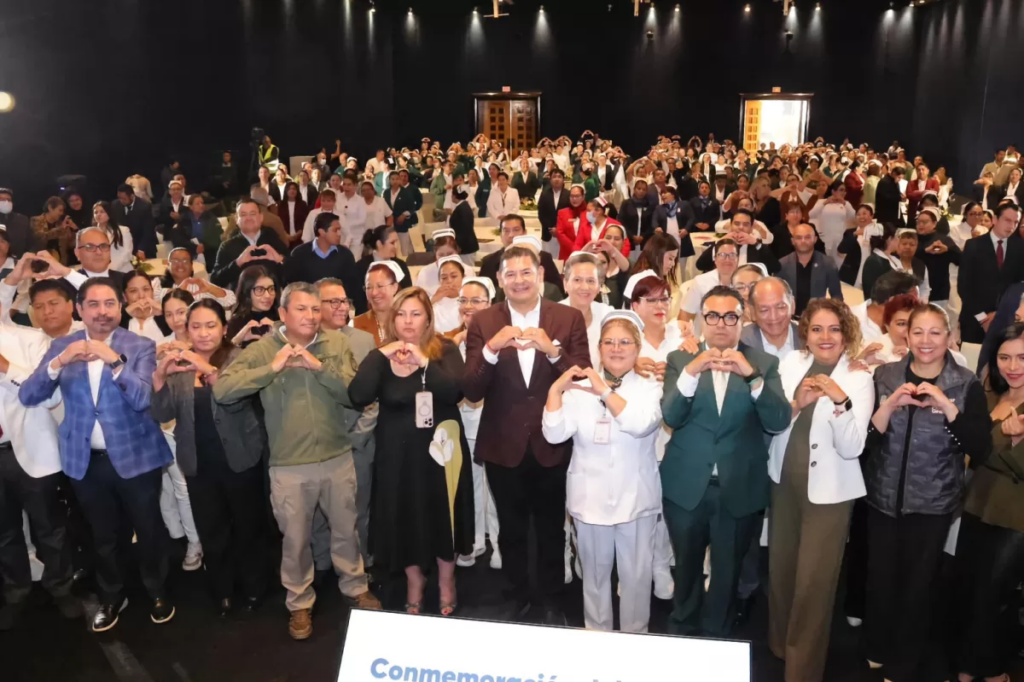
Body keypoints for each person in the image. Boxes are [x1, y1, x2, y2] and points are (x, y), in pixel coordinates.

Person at [214, 282, 381, 639]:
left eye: (315, 309)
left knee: (347, 530)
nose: (311, 316)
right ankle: (299, 602)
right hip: (289, 465)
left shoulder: (336, 344)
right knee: (295, 540)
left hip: (337, 456)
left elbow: (356, 395)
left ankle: (355, 586)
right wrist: (272, 368)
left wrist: (319, 368)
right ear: (283, 313)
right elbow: (222, 390)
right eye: (302, 309)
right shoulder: (263, 349)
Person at [19, 278, 175, 632]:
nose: (102, 312)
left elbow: (142, 399)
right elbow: (29, 395)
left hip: (137, 457)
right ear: (80, 309)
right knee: (103, 535)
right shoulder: (62, 346)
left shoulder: (140, 345)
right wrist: (59, 362)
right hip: (86, 461)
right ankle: (112, 595)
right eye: (93, 304)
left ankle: (158, 590)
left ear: (120, 307)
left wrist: (115, 361)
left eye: (109, 304)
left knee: (148, 528)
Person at [463, 244, 591, 625]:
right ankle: (516, 595)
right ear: (499, 279)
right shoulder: (484, 321)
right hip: (503, 444)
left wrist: (552, 351)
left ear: (540, 275)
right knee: (511, 529)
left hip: (553, 441)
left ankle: (551, 599)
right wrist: (491, 348)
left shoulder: (567, 318)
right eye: (511, 273)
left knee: (552, 528)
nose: (519, 280)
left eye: (526, 272)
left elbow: (583, 378)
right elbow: (471, 390)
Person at [864, 303, 992, 682]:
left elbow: (980, 448)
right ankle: (877, 646)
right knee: (880, 579)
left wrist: (948, 407)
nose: (925, 340)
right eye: (917, 331)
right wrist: (889, 405)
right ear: (905, 335)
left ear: (950, 337)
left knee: (917, 587)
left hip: (933, 503)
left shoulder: (965, 384)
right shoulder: (884, 375)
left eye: (935, 332)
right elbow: (865, 443)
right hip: (882, 497)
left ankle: (903, 665)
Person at [660, 285, 791, 637]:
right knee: (686, 567)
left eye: (730, 316)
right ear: (701, 319)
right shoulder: (680, 360)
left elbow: (778, 421)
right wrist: (692, 371)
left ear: (742, 318)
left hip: (738, 487)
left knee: (727, 573)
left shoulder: (763, 363)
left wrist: (751, 376)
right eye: (713, 316)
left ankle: (716, 638)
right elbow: (671, 416)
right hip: (687, 486)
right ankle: (682, 628)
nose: (721, 324)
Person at [349, 287, 473, 615]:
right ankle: (414, 582)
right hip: (397, 457)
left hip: (441, 453)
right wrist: (380, 355)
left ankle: (446, 581)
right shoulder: (382, 356)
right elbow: (358, 395)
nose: (407, 321)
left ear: (428, 319)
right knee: (404, 518)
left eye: (415, 314)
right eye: (401, 314)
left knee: (444, 516)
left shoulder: (444, 349)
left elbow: (456, 392)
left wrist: (423, 362)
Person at [768, 299, 874, 682]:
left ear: (846, 335)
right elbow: (773, 420)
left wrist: (839, 400)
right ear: (806, 334)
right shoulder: (790, 364)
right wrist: (797, 403)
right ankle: (779, 647)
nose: (825, 337)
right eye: (817, 329)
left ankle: (803, 669)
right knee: (781, 572)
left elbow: (852, 448)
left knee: (814, 582)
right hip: (783, 483)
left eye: (834, 329)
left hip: (830, 495)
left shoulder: (859, 378)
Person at [543, 310, 663, 633]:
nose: (616, 348)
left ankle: (635, 635)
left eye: (625, 342)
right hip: (590, 499)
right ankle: (597, 635)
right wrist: (556, 391)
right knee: (594, 577)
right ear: (599, 348)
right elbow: (554, 434)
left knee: (636, 576)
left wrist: (604, 391)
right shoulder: (579, 389)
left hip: (635, 498)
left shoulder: (650, 387)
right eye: (609, 342)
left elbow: (639, 424)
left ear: (638, 348)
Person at [150, 300, 268, 617]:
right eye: (196, 326)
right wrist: (159, 377)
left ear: (224, 328)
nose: (203, 333)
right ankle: (222, 589)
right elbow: (162, 413)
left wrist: (207, 369)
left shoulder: (241, 358)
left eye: (211, 325)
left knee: (248, 527)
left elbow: (238, 398)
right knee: (212, 530)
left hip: (240, 457)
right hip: (198, 461)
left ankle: (254, 586)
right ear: (187, 330)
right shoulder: (179, 365)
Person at [0, 296, 82, 630]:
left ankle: (61, 586)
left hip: (31, 448)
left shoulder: (31, 338)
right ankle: (16, 590)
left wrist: (5, 367)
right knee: (4, 532)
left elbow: (47, 393)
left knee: (49, 525)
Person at [956, 322, 1024, 682]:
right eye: (1004, 357)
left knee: (992, 598)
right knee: (967, 591)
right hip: (976, 506)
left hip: (1014, 517)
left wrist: (1016, 444)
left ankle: (994, 673)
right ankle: (968, 667)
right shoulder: (989, 395)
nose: (1013, 366)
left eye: (1022, 358)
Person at [314, 278, 377, 564]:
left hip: (356, 444)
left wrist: (355, 439)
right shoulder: (304, 341)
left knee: (358, 508)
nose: (342, 307)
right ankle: (322, 564)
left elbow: (374, 399)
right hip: (317, 445)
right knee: (317, 513)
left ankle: (360, 563)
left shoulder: (363, 340)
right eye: (334, 302)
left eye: (345, 301)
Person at [446, 278, 501, 570]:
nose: (468, 306)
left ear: (489, 304)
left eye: (476, 300)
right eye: (463, 300)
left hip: (494, 423)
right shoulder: (448, 342)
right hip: (463, 423)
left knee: (495, 487)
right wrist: (454, 346)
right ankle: (475, 540)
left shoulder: (500, 338)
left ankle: (499, 543)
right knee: (471, 485)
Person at [959, 202, 1024, 343]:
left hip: (1006, 320)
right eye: (1007, 220)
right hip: (974, 320)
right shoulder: (973, 245)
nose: (1011, 226)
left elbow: (1019, 287)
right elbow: (964, 287)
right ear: (994, 219)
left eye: (1016, 222)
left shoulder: (1020, 248)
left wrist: (1000, 314)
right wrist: (982, 318)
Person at [477, 215, 565, 298]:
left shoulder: (543, 258)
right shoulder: (489, 261)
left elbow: (557, 290)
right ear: (500, 235)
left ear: (524, 233)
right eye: (506, 231)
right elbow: (482, 293)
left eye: (516, 230)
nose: (511, 235)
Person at [211, 197, 288, 290]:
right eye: (243, 215)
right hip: (240, 298)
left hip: (273, 296)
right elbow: (215, 281)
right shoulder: (227, 246)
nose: (248, 218)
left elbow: (294, 274)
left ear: (261, 217)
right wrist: (237, 263)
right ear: (236, 219)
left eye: (253, 214)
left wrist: (280, 259)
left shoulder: (274, 241)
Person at [284, 212, 361, 298]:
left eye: (340, 230)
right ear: (322, 232)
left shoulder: (345, 255)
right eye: (335, 230)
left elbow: (354, 289)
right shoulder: (299, 254)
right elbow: (292, 287)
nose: (339, 234)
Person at [560, 252, 614, 368]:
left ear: (599, 286)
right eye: (577, 280)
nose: (584, 287)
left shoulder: (607, 315)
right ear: (565, 284)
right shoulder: (551, 317)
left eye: (591, 281)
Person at [776, 223, 844, 317]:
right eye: (799, 238)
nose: (803, 241)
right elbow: (776, 295)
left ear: (815, 239)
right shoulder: (783, 264)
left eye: (807, 237)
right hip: (789, 317)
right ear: (793, 241)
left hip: (817, 317)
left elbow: (836, 296)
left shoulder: (827, 263)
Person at [695, 208, 779, 275]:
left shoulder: (756, 246)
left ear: (751, 228)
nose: (741, 227)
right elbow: (700, 265)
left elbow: (775, 268)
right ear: (731, 226)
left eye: (746, 224)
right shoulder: (721, 244)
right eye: (737, 224)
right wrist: (720, 243)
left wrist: (756, 244)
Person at [680, 238, 738, 328]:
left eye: (732, 255)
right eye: (722, 255)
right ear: (715, 259)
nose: (727, 259)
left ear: (738, 259)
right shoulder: (701, 282)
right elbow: (685, 315)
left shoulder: (745, 282)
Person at [152, 247, 235, 309]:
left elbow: (231, 300)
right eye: (175, 261)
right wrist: (179, 290)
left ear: (192, 266)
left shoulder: (201, 285)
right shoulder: (158, 283)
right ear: (168, 265)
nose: (180, 265)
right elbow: (152, 298)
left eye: (185, 261)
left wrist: (211, 289)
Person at [914, 207, 961, 313]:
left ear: (934, 223)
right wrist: (925, 250)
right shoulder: (913, 239)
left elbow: (960, 260)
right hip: (916, 290)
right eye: (918, 222)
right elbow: (906, 255)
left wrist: (948, 250)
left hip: (939, 291)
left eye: (925, 222)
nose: (920, 225)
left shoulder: (944, 240)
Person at [226, 265, 280, 348]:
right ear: (246, 292)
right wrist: (238, 340)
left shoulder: (282, 317)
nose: (268, 295)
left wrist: (280, 331)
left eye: (271, 289)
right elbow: (224, 354)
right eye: (260, 290)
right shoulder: (235, 323)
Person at [354, 260, 403, 347]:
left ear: (394, 287)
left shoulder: (407, 321)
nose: (374, 293)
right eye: (369, 287)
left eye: (380, 286)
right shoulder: (356, 324)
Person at [808, 181, 856, 262]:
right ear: (833, 191)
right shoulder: (821, 202)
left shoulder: (846, 204)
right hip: (825, 238)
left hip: (840, 238)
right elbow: (811, 214)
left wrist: (844, 203)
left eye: (844, 190)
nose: (844, 192)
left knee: (839, 263)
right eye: (841, 190)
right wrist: (825, 203)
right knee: (824, 262)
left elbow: (853, 215)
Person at [383, 171, 422, 257]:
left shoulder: (406, 192)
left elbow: (412, 207)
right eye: (392, 179)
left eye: (397, 179)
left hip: (403, 223)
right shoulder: (386, 192)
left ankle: (406, 261)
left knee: (404, 247)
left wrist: (404, 215)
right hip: (390, 223)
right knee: (392, 247)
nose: (395, 181)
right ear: (389, 180)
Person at [115, 184, 158, 259]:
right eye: (119, 198)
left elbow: (148, 231)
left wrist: (141, 249)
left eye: (124, 199)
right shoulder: (115, 205)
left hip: (144, 247)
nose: (121, 201)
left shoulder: (144, 206)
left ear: (132, 196)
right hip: (125, 248)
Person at [90, 201, 134, 273]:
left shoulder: (123, 231)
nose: (98, 214)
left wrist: (111, 268)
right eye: (96, 212)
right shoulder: (90, 234)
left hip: (122, 271)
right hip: (100, 272)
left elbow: (127, 253)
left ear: (109, 213)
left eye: (102, 212)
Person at [31, 196, 75, 265]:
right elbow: (40, 238)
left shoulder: (61, 224)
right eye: (60, 210)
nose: (62, 213)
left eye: (63, 211)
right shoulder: (36, 220)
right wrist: (60, 229)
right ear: (50, 208)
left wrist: (75, 229)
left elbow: (71, 244)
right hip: (42, 265)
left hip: (61, 264)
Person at [538, 169, 571, 261]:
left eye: (559, 177)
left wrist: (559, 230)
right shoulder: (544, 194)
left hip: (564, 234)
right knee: (547, 260)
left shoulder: (568, 194)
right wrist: (551, 228)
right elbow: (541, 214)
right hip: (548, 234)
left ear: (563, 179)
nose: (557, 179)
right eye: (554, 177)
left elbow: (570, 215)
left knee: (562, 261)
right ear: (550, 179)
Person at [0, 187, 38, 257]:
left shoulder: (22, 220)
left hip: (17, 261)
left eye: (8, 199)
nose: (6, 202)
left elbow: (32, 244)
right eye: (1, 199)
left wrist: (29, 258)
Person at [555, 186, 589, 261]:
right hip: (567, 254)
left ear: (583, 197)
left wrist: (582, 249)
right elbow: (560, 233)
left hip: (585, 252)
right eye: (572, 196)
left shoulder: (589, 213)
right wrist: (575, 248)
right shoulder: (562, 212)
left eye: (577, 196)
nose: (574, 199)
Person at [278, 182, 310, 247]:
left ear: (297, 191)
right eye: (289, 189)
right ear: (286, 191)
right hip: (285, 237)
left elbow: (306, 221)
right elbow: (279, 221)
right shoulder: (281, 205)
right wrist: (285, 234)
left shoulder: (303, 204)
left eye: (294, 189)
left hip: (300, 237)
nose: (292, 191)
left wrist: (298, 234)